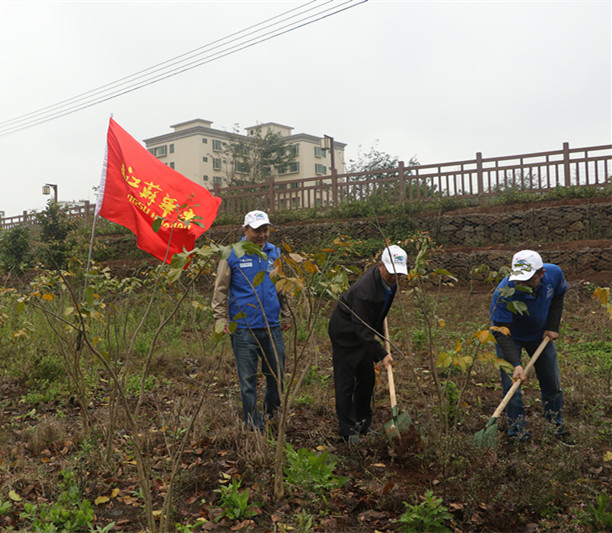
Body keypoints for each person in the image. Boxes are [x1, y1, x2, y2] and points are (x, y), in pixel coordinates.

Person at [212, 210, 290, 431]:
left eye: (265, 230)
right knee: (248, 380)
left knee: (277, 375)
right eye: (257, 230)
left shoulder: (275, 253)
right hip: (244, 328)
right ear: (245, 230)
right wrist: (220, 318)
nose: (262, 235)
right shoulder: (231, 253)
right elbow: (221, 289)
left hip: (272, 326)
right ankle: (253, 424)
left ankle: (272, 415)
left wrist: (286, 314)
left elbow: (282, 287)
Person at [328, 245, 409, 443]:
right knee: (346, 382)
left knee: (367, 379)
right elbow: (361, 328)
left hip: (363, 331)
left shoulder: (390, 283)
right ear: (380, 266)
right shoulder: (365, 292)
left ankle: (363, 423)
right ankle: (347, 430)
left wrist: (381, 337)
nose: (394, 277)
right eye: (391, 272)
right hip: (345, 334)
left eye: (398, 274)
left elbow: (377, 313)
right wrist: (381, 353)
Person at [489, 249, 571, 444]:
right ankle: (518, 434)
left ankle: (556, 427)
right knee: (512, 386)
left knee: (552, 383)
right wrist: (516, 364)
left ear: (541, 274)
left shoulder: (554, 274)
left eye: (528, 280)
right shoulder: (504, 292)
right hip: (511, 337)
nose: (523, 285)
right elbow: (500, 332)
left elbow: (558, 296)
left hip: (539, 335)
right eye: (519, 280)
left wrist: (552, 326)